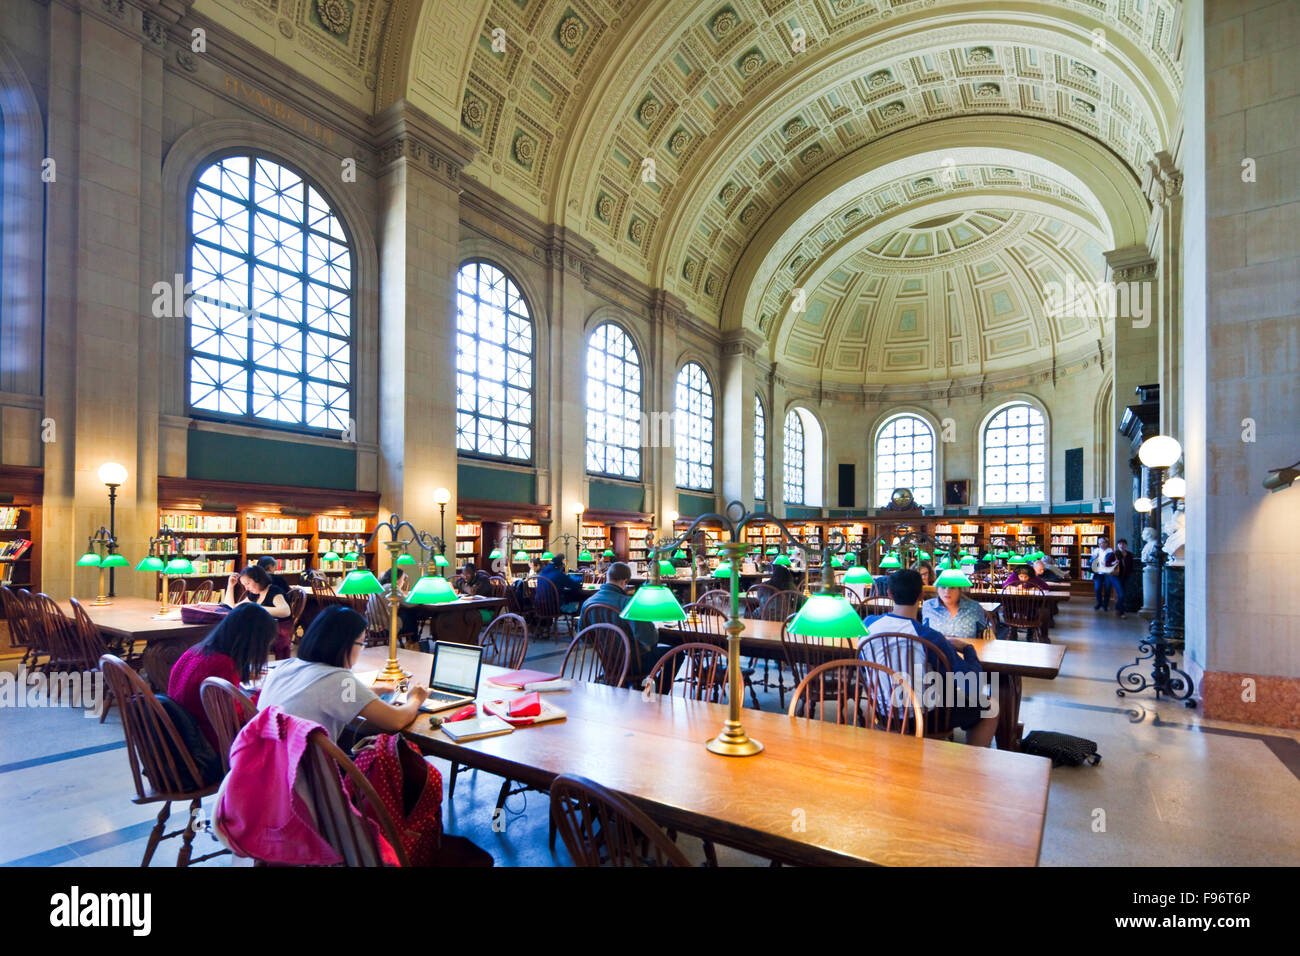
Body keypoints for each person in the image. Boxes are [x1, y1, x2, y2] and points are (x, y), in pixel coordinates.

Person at [859, 569, 998, 747]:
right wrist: (968, 649)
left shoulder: (867, 625)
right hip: (925, 716)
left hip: (883, 712)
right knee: (989, 708)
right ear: (921, 595)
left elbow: (864, 668)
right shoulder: (929, 637)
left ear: (889, 594)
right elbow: (970, 682)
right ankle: (971, 764)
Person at [258, 605, 429, 742]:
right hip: (303, 778)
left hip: (269, 767)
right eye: (361, 644)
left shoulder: (285, 666)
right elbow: (395, 721)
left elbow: (325, 695)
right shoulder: (338, 680)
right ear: (344, 645)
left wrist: (368, 693)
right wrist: (415, 698)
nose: (361, 650)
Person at [167, 603, 277, 749]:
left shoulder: (196, 650)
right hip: (210, 747)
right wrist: (264, 696)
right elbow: (236, 721)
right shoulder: (223, 664)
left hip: (180, 740)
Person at [583, 562, 670, 679]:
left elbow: (585, 637)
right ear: (624, 582)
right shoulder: (629, 604)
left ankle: (623, 683)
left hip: (608, 662)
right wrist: (654, 628)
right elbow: (649, 639)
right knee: (676, 654)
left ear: (607, 577)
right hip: (633, 662)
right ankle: (657, 692)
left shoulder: (588, 602)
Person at [223, 563, 293, 656]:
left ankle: (242, 664)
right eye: (244, 585)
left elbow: (285, 611)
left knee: (237, 638)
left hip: (276, 631)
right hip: (262, 629)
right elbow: (231, 607)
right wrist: (230, 586)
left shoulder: (274, 591)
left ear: (258, 580)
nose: (246, 588)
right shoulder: (255, 594)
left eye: (247, 583)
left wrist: (256, 608)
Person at [922, 578, 989, 643]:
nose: (947, 591)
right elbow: (925, 632)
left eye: (952, 587)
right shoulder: (928, 606)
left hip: (967, 653)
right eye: (943, 587)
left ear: (959, 590)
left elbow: (981, 632)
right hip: (938, 653)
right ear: (937, 589)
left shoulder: (975, 607)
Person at [1089, 536, 1120, 613]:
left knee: (1107, 589)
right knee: (1097, 588)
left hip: (1107, 573)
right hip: (1098, 573)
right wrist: (1093, 558)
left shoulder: (1110, 551)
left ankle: (1105, 605)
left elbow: (1113, 562)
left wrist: (1113, 563)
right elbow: (1090, 561)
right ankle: (1099, 603)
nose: (1100, 544)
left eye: (1102, 542)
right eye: (1099, 543)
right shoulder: (1096, 550)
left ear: (1106, 543)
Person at [1115, 538, 1136, 616]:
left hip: (1126, 576)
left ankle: (1118, 607)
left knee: (1123, 593)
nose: (1122, 545)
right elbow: (1107, 563)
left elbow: (1131, 565)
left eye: (1123, 544)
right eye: (1120, 544)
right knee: (1121, 594)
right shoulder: (1115, 554)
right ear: (1117, 545)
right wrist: (1114, 562)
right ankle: (1122, 612)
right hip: (1117, 576)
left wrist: (1130, 573)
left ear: (1126, 545)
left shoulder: (1129, 554)